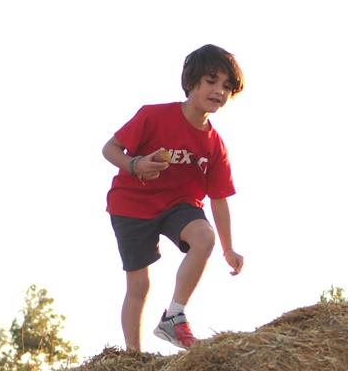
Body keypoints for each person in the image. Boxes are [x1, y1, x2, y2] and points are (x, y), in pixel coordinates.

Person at [102, 44, 245, 351]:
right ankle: (132, 358)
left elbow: (219, 198)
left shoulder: (214, 144)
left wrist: (229, 247)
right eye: (211, 81)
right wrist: (135, 164)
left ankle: (174, 316)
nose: (219, 91)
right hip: (131, 205)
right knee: (139, 285)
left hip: (178, 207)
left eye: (227, 87)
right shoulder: (153, 116)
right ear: (191, 81)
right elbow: (109, 149)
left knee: (204, 238)